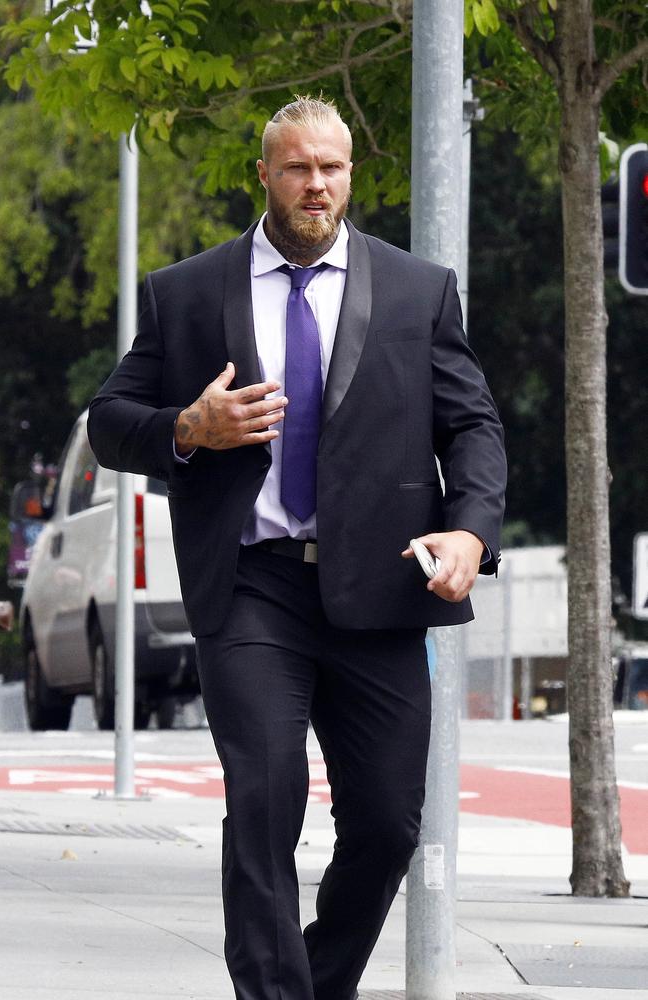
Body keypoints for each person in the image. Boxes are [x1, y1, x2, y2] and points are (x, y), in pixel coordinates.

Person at [88, 95, 506, 1000]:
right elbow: (110, 422)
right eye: (297, 168)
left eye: (332, 168)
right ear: (265, 176)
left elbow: (472, 424)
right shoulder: (187, 291)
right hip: (251, 589)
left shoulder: (416, 289)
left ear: (351, 174)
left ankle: (315, 983)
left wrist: (472, 530)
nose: (316, 185)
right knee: (266, 800)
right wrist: (189, 427)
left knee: (390, 824)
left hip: (384, 589)